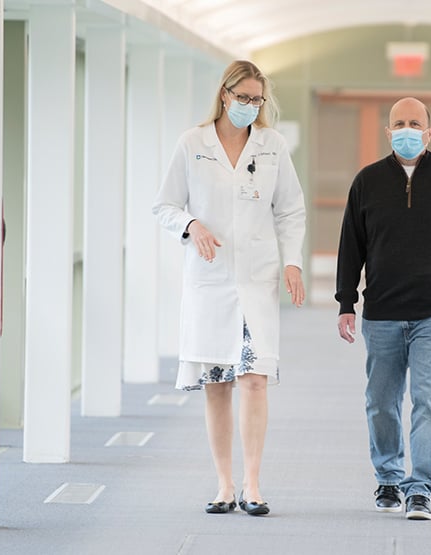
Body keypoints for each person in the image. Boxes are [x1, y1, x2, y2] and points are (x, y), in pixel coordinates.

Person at [153, 60, 306, 517]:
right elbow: (163, 205)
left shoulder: (272, 146)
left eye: (257, 100)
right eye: (243, 98)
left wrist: (293, 261)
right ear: (224, 95)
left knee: (254, 380)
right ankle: (223, 484)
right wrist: (191, 223)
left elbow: (291, 210)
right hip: (210, 279)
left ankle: (253, 485)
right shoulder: (192, 143)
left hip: (256, 281)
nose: (250, 106)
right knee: (217, 384)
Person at [335, 97, 431, 521]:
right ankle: (388, 477)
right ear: (388, 133)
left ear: (429, 131)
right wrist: (346, 301)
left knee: (428, 400)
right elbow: (351, 247)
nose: (407, 130)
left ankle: (419, 488)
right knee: (381, 402)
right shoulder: (367, 182)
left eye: (415, 123)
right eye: (399, 123)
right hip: (382, 312)